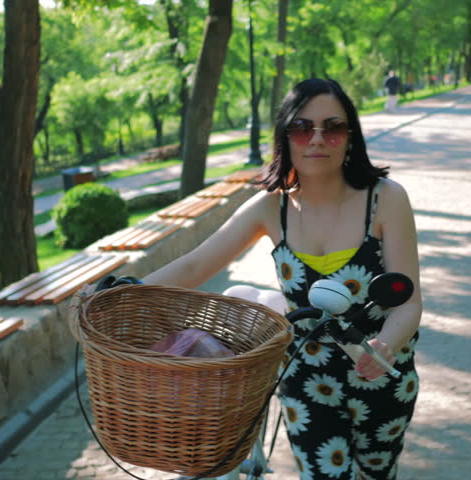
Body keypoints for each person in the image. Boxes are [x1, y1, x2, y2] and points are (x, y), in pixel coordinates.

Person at [142, 78, 423, 479]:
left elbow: (408, 300)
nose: (317, 139)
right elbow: (193, 266)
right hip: (306, 378)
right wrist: (121, 292)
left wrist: (384, 346)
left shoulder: (386, 198)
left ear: (350, 137)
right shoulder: (271, 209)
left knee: (377, 475)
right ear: (286, 137)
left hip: (382, 375)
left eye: (333, 127)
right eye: (302, 127)